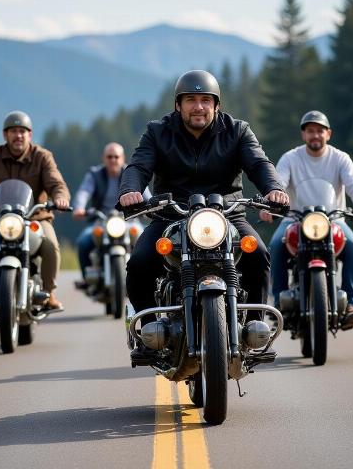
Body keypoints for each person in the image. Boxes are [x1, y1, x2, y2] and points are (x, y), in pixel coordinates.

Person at [118, 69, 289, 361]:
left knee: (257, 254)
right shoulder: (158, 131)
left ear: (216, 105)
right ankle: (149, 334)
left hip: (227, 214)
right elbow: (138, 166)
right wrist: (130, 190)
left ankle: (253, 329)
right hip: (172, 214)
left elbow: (259, 163)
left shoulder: (237, 130)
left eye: (205, 100)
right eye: (191, 100)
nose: (199, 106)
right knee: (140, 262)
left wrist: (274, 188)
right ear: (178, 105)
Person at [260, 110, 353, 326]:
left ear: (328, 133)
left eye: (320, 131)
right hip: (294, 219)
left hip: (333, 220)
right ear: (303, 135)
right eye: (310, 131)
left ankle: (352, 304)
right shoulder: (291, 158)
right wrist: (270, 206)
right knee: (275, 245)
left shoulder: (340, 158)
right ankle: (279, 303)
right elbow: (278, 183)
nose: (315, 135)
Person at [0, 110, 70, 311]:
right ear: (5, 135)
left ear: (30, 135)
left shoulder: (42, 157)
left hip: (35, 218)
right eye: (13, 131)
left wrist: (60, 198)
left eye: (22, 131)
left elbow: (56, 183)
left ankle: (49, 293)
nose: (18, 135)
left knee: (51, 246)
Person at [72, 142, 149, 289]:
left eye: (116, 157)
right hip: (101, 221)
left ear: (122, 158)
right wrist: (79, 207)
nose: (113, 160)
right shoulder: (94, 174)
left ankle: (150, 277)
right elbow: (84, 192)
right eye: (109, 157)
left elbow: (145, 193)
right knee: (83, 242)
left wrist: (150, 205)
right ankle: (87, 279)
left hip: (129, 221)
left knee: (147, 242)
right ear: (103, 158)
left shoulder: (132, 173)